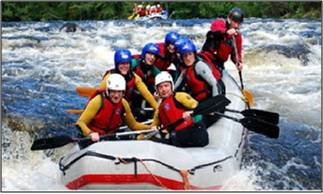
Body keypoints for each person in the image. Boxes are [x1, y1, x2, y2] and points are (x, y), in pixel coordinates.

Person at [76, 73, 151, 143]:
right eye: (113, 92)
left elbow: (134, 125)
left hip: (110, 138)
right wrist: (90, 133)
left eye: (119, 92)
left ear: (123, 92)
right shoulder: (97, 101)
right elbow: (80, 123)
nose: (116, 95)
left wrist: (150, 128)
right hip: (93, 139)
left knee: (139, 138)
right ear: (108, 91)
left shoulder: (123, 104)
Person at [174, 39, 224, 127]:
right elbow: (175, 88)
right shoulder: (185, 71)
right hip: (199, 104)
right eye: (185, 56)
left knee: (197, 123)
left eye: (190, 54)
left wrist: (213, 106)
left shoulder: (199, 66)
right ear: (182, 58)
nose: (188, 58)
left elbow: (215, 84)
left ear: (194, 54)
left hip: (212, 103)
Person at [151, 71, 209, 147]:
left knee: (173, 135)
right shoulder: (159, 110)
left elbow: (199, 108)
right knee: (169, 136)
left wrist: (191, 113)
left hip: (196, 131)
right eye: (160, 87)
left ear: (171, 86)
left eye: (166, 86)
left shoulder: (180, 96)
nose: (164, 89)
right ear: (157, 90)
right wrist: (153, 128)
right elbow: (154, 125)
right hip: (177, 136)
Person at [100, 49, 158, 121]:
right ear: (116, 64)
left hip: (126, 108)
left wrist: (157, 108)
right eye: (122, 64)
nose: (125, 66)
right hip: (111, 109)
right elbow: (99, 96)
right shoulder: (108, 77)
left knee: (142, 113)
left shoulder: (134, 76)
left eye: (127, 64)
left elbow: (146, 94)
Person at [200, 7, 244, 72]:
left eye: (239, 23)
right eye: (235, 22)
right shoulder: (220, 23)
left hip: (219, 65)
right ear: (229, 19)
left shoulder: (237, 36)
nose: (236, 25)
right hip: (206, 59)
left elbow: (236, 54)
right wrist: (226, 32)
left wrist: (238, 62)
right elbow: (214, 29)